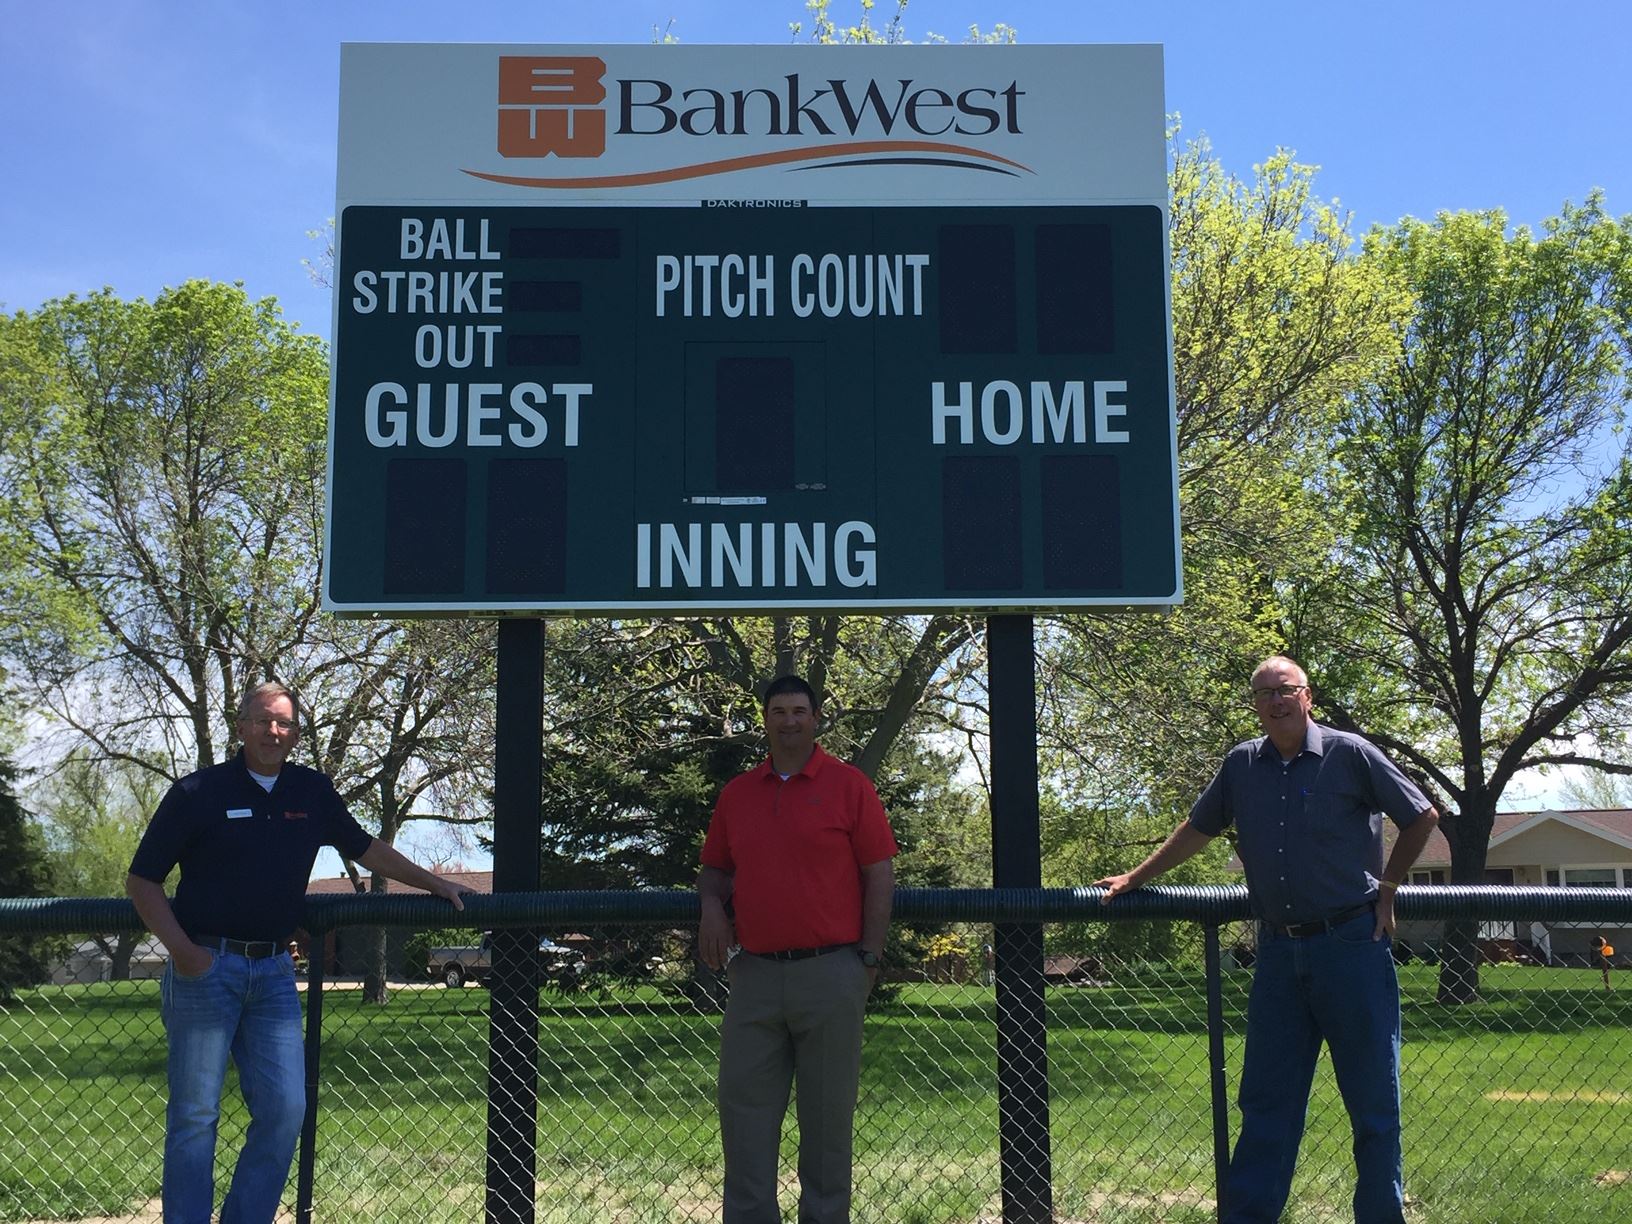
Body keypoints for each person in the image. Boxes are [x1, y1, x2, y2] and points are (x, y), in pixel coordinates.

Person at [1095, 656, 1439, 1224]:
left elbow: (1423, 815)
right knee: (1265, 1103)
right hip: (1277, 952)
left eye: (1286, 690)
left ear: (1308, 697)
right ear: (1255, 705)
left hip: (1351, 944)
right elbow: (1197, 829)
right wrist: (1136, 877)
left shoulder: (1349, 754)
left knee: (1373, 1102)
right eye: (1264, 694)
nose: (1275, 701)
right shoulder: (1241, 765)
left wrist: (1391, 885)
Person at [125, 681, 467, 1224]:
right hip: (204, 971)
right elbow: (142, 880)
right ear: (240, 726)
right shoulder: (198, 792)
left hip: (275, 973)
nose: (273, 732)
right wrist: (185, 954)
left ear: (296, 733)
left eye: (284, 723)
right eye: (263, 721)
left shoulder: (311, 791)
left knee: (286, 1109)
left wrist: (434, 883)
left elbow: (366, 847)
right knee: (195, 1115)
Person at [697, 675, 898, 1224]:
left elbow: (879, 877)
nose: (789, 721)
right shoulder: (738, 795)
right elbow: (714, 872)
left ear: (815, 719)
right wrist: (711, 909)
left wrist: (868, 960)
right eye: (779, 711)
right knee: (743, 1119)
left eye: (799, 711)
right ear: (765, 720)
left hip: (832, 971)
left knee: (828, 1124)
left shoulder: (849, 785)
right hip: (755, 977)